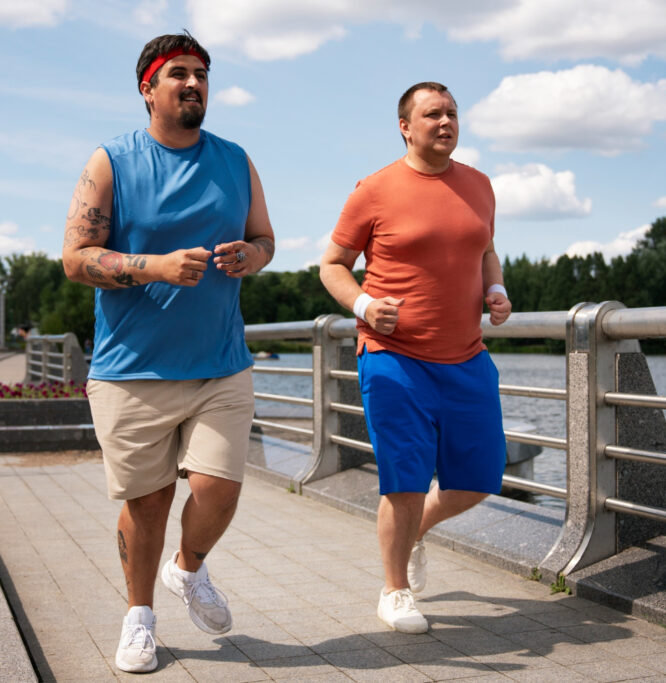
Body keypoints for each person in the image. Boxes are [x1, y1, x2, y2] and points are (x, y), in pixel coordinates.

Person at [62, 31, 275, 673]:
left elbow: (265, 238)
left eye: (202, 73)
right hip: (132, 369)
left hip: (221, 364)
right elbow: (76, 259)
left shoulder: (236, 160)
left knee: (218, 488)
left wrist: (251, 258)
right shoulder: (111, 161)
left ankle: (190, 569)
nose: (193, 83)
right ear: (147, 88)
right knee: (149, 503)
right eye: (178, 72)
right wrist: (153, 265)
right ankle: (139, 618)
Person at [320, 81, 511, 634]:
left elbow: (485, 249)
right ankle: (395, 590)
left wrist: (494, 289)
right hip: (393, 356)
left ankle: (416, 532)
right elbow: (332, 263)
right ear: (405, 126)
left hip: (466, 357)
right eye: (433, 114)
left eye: (452, 113)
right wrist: (362, 302)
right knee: (403, 479)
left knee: (479, 478)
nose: (446, 121)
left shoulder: (479, 184)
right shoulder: (375, 189)